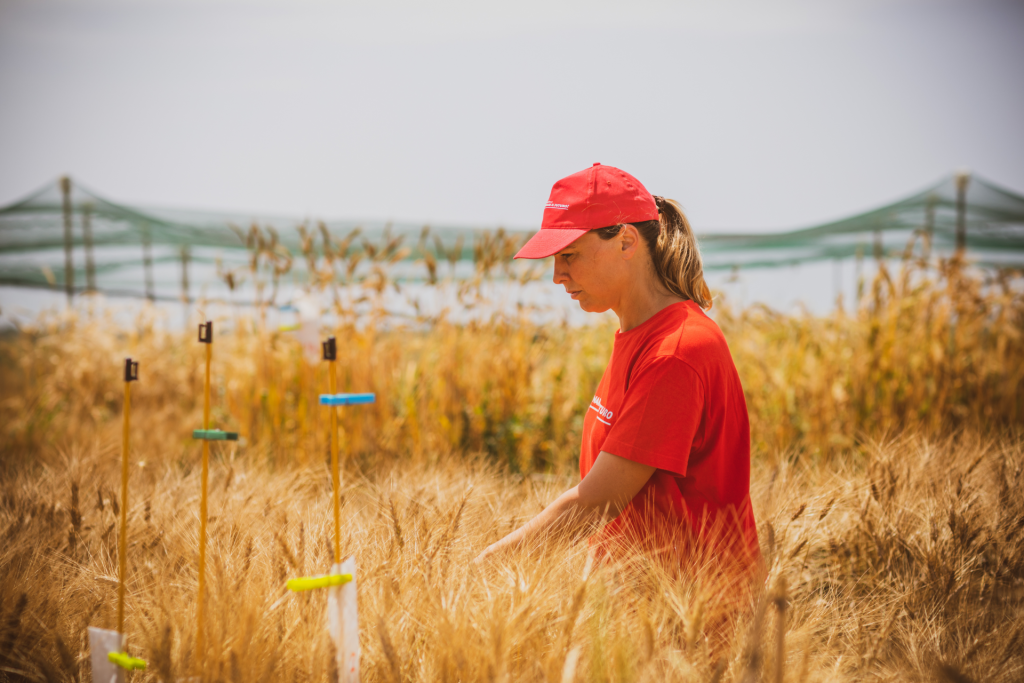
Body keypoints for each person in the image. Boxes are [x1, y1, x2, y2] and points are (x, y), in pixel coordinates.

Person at [474, 163, 760, 579]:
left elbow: (597, 504)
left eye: (568, 255)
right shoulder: (638, 335)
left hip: (693, 625)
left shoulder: (676, 351)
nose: (557, 276)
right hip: (641, 615)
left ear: (626, 241)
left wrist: (479, 569)